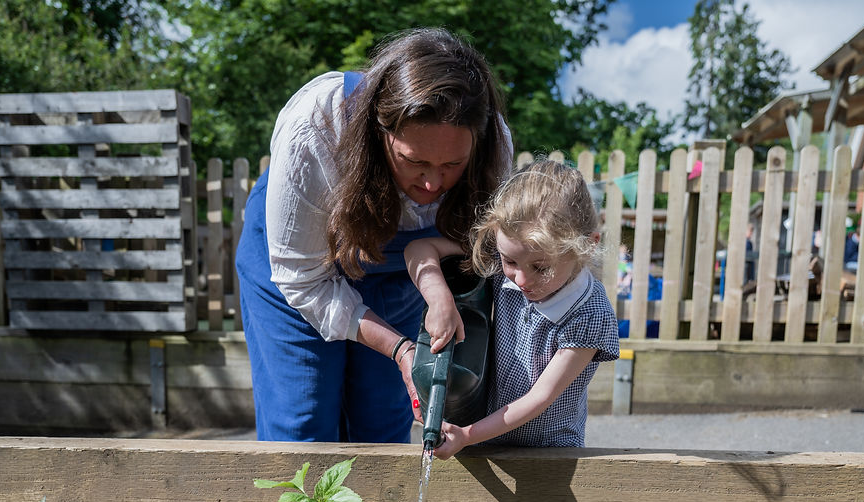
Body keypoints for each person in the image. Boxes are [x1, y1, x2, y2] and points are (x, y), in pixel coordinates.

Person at [235, 28, 513, 443]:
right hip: (298, 270)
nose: (433, 183)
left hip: (400, 269)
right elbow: (304, 281)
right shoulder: (316, 129)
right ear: (380, 131)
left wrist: (438, 295)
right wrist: (399, 349)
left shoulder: (494, 146)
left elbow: (485, 252)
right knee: (303, 423)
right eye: (414, 160)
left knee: (381, 424)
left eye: (452, 164)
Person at [404, 160, 620, 460]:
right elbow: (418, 250)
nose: (521, 279)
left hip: (550, 453)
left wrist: (467, 435)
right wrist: (439, 298)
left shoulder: (589, 312)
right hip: (485, 440)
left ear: (587, 246)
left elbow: (540, 397)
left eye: (540, 268)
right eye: (511, 262)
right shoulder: (499, 260)